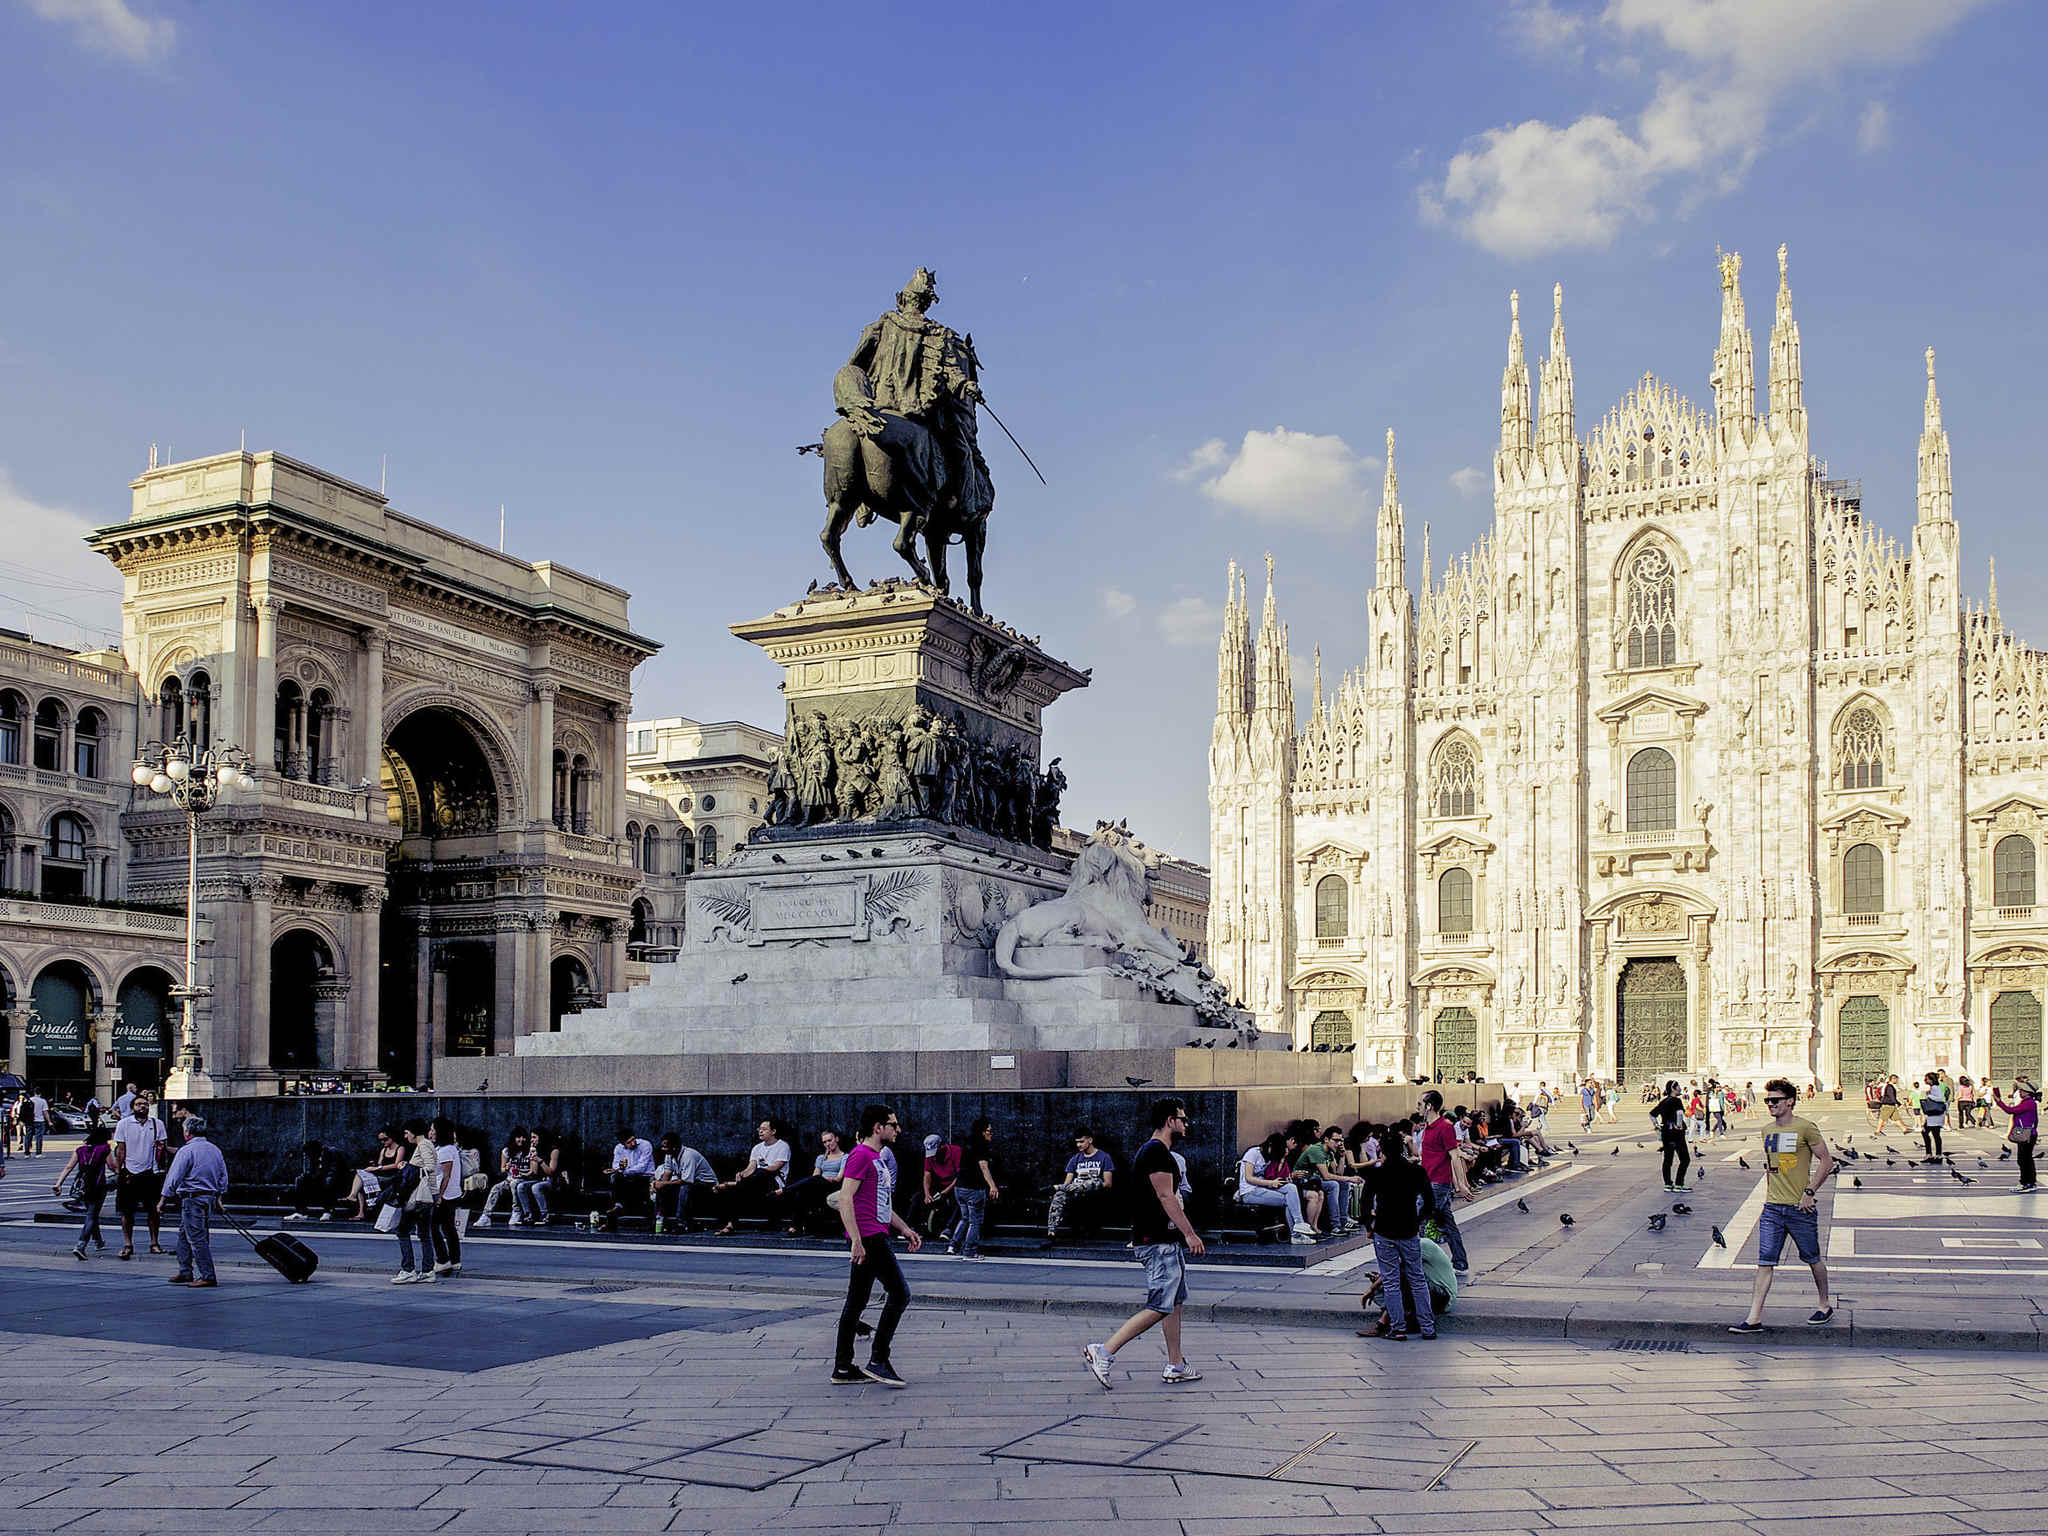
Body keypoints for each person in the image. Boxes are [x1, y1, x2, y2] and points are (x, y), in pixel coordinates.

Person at [1083, 1099, 1206, 1388]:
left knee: (1173, 1303)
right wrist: (1190, 1234)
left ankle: (1176, 1364)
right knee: (1160, 1304)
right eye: (1183, 1119)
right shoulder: (1156, 1153)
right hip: (1157, 1240)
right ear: (1168, 1121)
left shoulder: (1159, 1153)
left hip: (1163, 1239)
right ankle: (1104, 1351)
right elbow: (1166, 1198)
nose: (1186, 1124)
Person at [1730, 1077, 1836, 1333]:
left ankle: (1824, 1304)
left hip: (1800, 1208)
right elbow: (1771, 1167)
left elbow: (1826, 1161)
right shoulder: (1767, 1130)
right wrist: (1769, 1194)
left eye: (1775, 1100)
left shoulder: (1806, 1128)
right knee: (1765, 1261)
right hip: (1773, 1208)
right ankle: (1754, 1317)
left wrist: (1809, 1192)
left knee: (1812, 1258)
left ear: (1789, 1102)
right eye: (1768, 1100)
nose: (1770, 1105)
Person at [832, 1104, 921, 1387]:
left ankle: (843, 1368)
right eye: (893, 1124)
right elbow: (845, 1198)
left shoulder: (876, 1158)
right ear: (877, 1128)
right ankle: (878, 1360)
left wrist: (904, 1228)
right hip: (869, 1237)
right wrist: (856, 1240)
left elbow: (880, 1203)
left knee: (856, 1302)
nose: (898, 1129)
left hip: (874, 1233)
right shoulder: (860, 1155)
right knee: (900, 1294)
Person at [1360, 1113, 1437, 1341]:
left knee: (1391, 1280)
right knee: (1417, 1278)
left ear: (1382, 1151)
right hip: (1409, 1229)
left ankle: (1398, 1328)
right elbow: (1430, 1202)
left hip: (1384, 1229)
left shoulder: (1377, 1174)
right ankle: (1428, 1327)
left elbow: (1365, 1203)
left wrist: (1368, 1225)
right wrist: (1418, 1219)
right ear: (1403, 1150)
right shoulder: (1417, 1171)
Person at [158, 1115, 227, 1288]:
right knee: (184, 1235)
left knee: (196, 1238)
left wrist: (163, 1199)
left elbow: (174, 1177)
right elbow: (222, 1176)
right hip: (208, 1198)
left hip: (192, 1198)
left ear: (187, 1132)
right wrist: (218, 1198)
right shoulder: (214, 1149)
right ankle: (185, 1271)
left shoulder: (186, 1151)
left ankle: (208, 1275)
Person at [1360, 1232, 1457, 1338]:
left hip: (1443, 1296)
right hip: (1432, 1294)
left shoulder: (1423, 1244)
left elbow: (1398, 1270)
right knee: (1385, 1287)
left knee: (1401, 1278)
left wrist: (1371, 1288)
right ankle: (1401, 1317)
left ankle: (1383, 1323)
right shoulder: (1409, 1244)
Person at [1416, 1091, 1470, 1274]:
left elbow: (1454, 1157)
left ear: (1429, 1106)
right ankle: (1460, 1263)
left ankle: (1420, 1264)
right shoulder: (1427, 1128)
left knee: (1417, 1219)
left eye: (1420, 1104)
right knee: (1447, 1222)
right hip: (1428, 1181)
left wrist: (1461, 1184)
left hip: (1438, 1184)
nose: (1418, 1107)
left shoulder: (1445, 1127)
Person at [111, 1092, 168, 1258]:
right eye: (138, 1104)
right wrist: (119, 1169)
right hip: (130, 1172)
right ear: (132, 1108)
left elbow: (162, 1147)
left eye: (145, 1104)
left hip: (151, 1173)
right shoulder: (124, 1124)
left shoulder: (157, 1124)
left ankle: (154, 1243)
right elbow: (120, 1149)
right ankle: (128, 1244)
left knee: (153, 1212)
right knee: (127, 1212)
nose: (142, 1106)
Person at [714, 1119, 791, 1235]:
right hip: (756, 1181)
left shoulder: (783, 1146)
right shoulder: (757, 1148)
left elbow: (776, 1167)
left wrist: (758, 1172)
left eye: (764, 1129)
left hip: (774, 1181)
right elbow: (751, 1167)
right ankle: (730, 1225)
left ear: (773, 1131)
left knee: (760, 1173)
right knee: (737, 1190)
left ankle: (730, 1185)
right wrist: (741, 1174)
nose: (760, 1132)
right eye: (759, 1129)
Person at [1235, 1132, 1315, 1242]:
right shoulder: (1252, 1153)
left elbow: (1272, 1174)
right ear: (1270, 1145)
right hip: (1250, 1191)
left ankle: (1299, 1223)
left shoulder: (1269, 1156)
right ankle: (1296, 1235)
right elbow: (1248, 1178)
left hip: (1264, 1186)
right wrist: (1271, 1183)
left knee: (1291, 1188)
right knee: (1289, 1200)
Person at [54, 1125, 114, 1260]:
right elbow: (112, 1166)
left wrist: (58, 1184)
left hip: (83, 1186)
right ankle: (81, 1245)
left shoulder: (80, 1150)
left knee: (92, 1213)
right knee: (92, 1215)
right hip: (98, 1185)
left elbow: (69, 1167)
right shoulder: (104, 1149)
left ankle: (98, 1241)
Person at [392, 1118, 440, 1284]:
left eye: (406, 1133)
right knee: (424, 1234)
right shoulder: (427, 1144)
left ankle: (408, 1269)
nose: (406, 1137)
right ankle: (427, 1270)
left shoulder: (424, 1145)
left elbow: (429, 1167)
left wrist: (407, 1168)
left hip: (419, 1196)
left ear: (413, 1132)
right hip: (429, 1195)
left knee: (402, 1231)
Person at [1047, 1127, 1116, 1240]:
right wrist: (1064, 1189)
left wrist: (1088, 1185)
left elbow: (1108, 1183)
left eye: (1081, 1141)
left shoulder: (1104, 1157)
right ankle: (1052, 1232)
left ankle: (1055, 1187)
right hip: (1076, 1191)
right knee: (1060, 1193)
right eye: (1077, 1142)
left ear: (1090, 1140)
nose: (1078, 1145)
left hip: (1094, 1190)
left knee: (1093, 1182)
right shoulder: (1075, 1159)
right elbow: (1067, 1184)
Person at [778, 1129, 849, 1234]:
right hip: (819, 1186)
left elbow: (839, 1178)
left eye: (829, 1140)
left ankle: (786, 1190)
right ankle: (796, 1227)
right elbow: (815, 1175)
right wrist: (819, 1179)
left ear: (836, 1139)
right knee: (802, 1193)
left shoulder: (845, 1157)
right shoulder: (821, 1158)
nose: (827, 1144)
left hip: (833, 1186)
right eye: (824, 1142)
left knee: (813, 1182)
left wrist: (824, 1179)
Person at [947, 1117, 999, 1258]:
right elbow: (984, 1166)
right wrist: (992, 1186)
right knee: (975, 1221)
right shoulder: (981, 1146)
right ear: (982, 1132)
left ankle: (953, 1245)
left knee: (964, 1218)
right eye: (989, 1131)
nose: (991, 1134)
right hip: (974, 1188)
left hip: (960, 1187)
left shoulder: (967, 1143)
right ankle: (969, 1251)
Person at [651, 1134, 718, 1231]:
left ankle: (681, 1222)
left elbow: (687, 1181)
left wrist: (664, 1184)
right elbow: (667, 1174)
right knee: (661, 1187)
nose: (663, 1149)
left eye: (665, 1147)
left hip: (706, 1185)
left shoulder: (688, 1155)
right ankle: (659, 1219)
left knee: (685, 1188)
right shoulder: (669, 1156)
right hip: (690, 1182)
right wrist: (658, 1184)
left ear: (674, 1147)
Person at [476, 1127, 534, 1226]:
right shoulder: (507, 1151)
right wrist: (507, 1168)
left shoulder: (530, 1151)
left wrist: (522, 1173)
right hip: (510, 1179)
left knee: (514, 1184)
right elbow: (502, 1169)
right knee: (496, 1188)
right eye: (518, 1137)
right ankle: (486, 1215)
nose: (521, 1140)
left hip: (524, 1180)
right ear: (513, 1138)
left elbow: (533, 1172)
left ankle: (516, 1211)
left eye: (523, 1137)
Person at [347, 1127, 407, 1222]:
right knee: (360, 1176)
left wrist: (378, 1168)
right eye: (381, 1140)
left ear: (392, 1138)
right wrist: (374, 1166)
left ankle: (354, 1197)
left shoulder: (400, 1148)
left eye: (385, 1139)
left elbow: (396, 1165)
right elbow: (380, 1163)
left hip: (392, 1177)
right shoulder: (384, 1150)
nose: (383, 1142)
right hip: (381, 1175)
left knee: (361, 1180)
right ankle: (356, 1202)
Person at [429, 1117, 463, 1274]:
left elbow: (446, 1176)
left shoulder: (446, 1150)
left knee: (433, 1227)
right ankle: (455, 1260)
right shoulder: (448, 1149)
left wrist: (439, 1196)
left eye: (433, 1130)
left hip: (445, 1194)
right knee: (448, 1227)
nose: (431, 1133)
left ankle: (443, 1259)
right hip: (451, 1193)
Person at [1991, 1078, 2038, 1194]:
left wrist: (1999, 1101)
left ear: (2028, 1092)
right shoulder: (2029, 1102)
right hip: (2029, 1134)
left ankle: (2026, 1183)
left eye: (2022, 1091)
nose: (2020, 1092)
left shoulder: (2028, 1103)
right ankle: (2029, 1182)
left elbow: (2009, 1110)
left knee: (2024, 1160)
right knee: (2026, 1159)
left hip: (2026, 1135)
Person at [602, 1128, 655, 1225]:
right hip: (628, 1176)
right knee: (614, 1178)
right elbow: (616, 1165)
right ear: (623, 1144)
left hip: (644, 1176)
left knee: (627, 1179)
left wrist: (623, 1171)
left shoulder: (645, 1145)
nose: (633, 1143)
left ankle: (647, 1214)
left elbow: (642, 1167)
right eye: (629, 1142)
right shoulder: (618, 1148)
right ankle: (617, 1207)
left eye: (633, 1139)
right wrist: (620, 1168)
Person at [919, 1132, 961, 1240]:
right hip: (939, 1184)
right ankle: (915, 1227)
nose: (933, 1156)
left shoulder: (956, 1151)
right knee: (918, 1197)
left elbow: (959, 1176)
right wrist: (927, 1194)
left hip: (954, 1185)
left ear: (942, 1146)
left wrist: (946, 1191)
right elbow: (927, 1175)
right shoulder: (930, 1156)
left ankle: (949, 1229)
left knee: (958, 1200)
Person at [514, 1132, 563, 1225]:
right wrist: (521, 1173)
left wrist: (540, 1161)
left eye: (534, 1137)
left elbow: (551, 1172)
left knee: (536, 1187)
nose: (531, 1140)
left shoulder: (554, 1151)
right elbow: (534, 1172)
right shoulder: (535, 1150)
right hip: (539, 1179)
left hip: (551, 1180)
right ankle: (528, 1215)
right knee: (521, 1186)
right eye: (531, 1138)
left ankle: (545, 1216)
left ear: (541, 1138)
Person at [1651, 1080, 1690, 1193]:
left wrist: (1657, 1125)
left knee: (1668, 1159)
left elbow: (1652, 1114)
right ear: (1673, 1088)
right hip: (1676, 1133)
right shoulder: (1676, 1100)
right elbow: (1679, 1113)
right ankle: (1679, 1184)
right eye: (1678, 1086)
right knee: (1685, 1159)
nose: (1680, 1088)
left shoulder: (1664, 1101)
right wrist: (1678, 1125)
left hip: (1666, 1132)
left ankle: (1668, 1184)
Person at [1918, 1072, 1949, 1162]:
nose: (1925, 1080)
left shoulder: (1935, 1088)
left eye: (1927, 1078)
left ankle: (1933, 1154)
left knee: (1930, 1133)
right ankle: (1934, 1154)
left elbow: (1940, 1098)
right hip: (1934, 1115)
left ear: (1931, 1080)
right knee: (1932, 1133)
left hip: (1935, 1115)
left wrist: (1929, 1096)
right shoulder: (1934, 1087)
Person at [23, 1087, 47, 1157]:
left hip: (29, 1121)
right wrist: (49, 1121)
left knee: (28, 1137)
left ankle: (27, 1153)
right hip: (39, 1120)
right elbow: (45, 1112)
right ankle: (38, 1153)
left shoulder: (29, 1100)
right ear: (40, 1093)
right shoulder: (42, 1101)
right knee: (38, 1137)